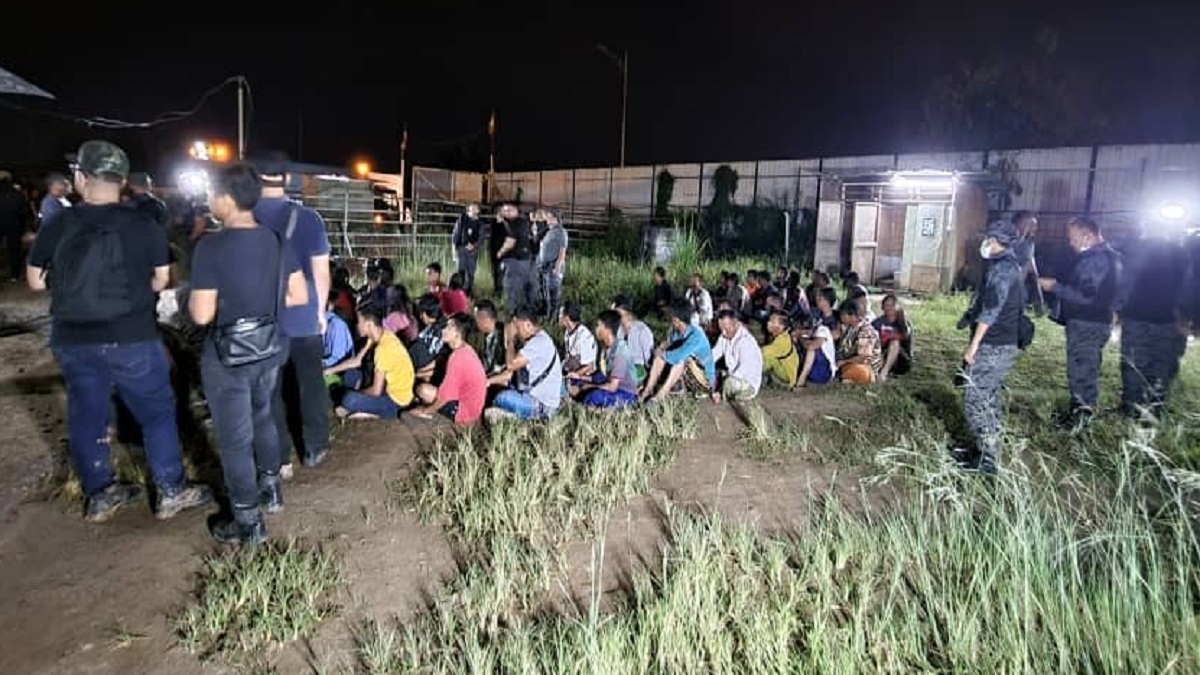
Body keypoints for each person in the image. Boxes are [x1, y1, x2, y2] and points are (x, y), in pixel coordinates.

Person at [27, 140, 212, 523]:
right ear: (123, 181)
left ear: (81, 178)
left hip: (73, 338)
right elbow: (162, 279)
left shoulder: (58, 222)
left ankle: (100, 493)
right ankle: (170, 489)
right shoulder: (142, 224)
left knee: (87, 412)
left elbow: (35, 281)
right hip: (131, 335)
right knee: (157, 411)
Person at [188, 162, 308, 543]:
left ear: (226, 199)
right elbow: (299, 295)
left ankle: (247, 522)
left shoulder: (211, 247)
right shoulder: (276, 241)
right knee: (263, 416)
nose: (209, 200)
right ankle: (271, 489)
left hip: (229, 358)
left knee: (235, 440)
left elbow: (201, 314)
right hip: (270, 349)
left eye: (211, 193)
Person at [254, 153, 333, 470]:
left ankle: (279, 460)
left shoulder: (245, 217)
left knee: (270, 392)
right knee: (310, 385)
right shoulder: (309, 219)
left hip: (264, 318)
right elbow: (321, 272)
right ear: (287, 178)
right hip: (304, 316)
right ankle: (314, 448)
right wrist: (320, 312)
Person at [956, 220, 1025, 475]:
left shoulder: (1003, 269)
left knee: (976, 397)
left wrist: (973, 346)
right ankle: (984, 450)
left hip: (995, 344)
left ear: (996, 241)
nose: (985, 242)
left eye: (988, 238)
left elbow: (992, 310)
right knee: (989, 396)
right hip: (1001, 342)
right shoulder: (1006, 264)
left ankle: (986, 460)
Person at [1038, 217, 1120, 431]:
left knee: (1082, 371)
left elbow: (1087, 296)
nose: (1071, 243)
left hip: (1088, 323)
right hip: (1094, 322)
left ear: (1088, 236)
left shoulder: (1097, 260)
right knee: (1084, 368)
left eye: (1073, 239)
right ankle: (1080, 413)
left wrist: (1054, 287)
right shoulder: (1107, 256)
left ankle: (1080, 421)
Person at [1112, 216, 1190, 422]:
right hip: (1168, 320)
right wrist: (1185, 315)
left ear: (1145, 229)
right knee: (1162, 363)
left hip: (1137, 317)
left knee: (1134, 362)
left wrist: (1117, 309)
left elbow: (1126, 281)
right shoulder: (1180, 253)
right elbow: (1187, 286)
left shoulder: (1136, 249)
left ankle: (1131, 407)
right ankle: (1155, 408)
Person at [486, 305, 563, 421]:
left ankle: (519, 418)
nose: (516, 331)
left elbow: (511, 365)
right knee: (495, 388)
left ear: (528, 325)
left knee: (501, 398)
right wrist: (487, 381)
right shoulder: (531, 341)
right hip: (530, 394)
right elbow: (508, 375)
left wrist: (510, 340)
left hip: (542, 405)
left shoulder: (540, 342)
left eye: (517, 327)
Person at [336, 308, 415, 419]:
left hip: (395, 401)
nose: (357, 325)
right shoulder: (379, 336)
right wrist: (329, 371)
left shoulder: (383, 348)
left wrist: (357, 393)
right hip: (385, 389)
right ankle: (362, 407)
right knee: (350, 375)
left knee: (349, 399)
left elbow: (376, 391)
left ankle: (379, 413)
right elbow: (356, 361)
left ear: (368, 324)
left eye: (359, 322)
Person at [413, 312, 488, 425]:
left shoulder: (458, 357)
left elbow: (445, 396)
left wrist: (425, 411)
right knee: (427, 382)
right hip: (471, 408)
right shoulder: (466, 349)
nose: (443, 330)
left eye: (448, 327)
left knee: (422, 390)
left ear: (457, 334)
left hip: (463, 413)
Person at [639, 300, 715, 404]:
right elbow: (667, 345)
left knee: (680, 360)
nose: (670, 319)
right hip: (690, 377)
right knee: (660, 358)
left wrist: (662, 353)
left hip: (705, 383)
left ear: (677, 320)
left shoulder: (696, 336)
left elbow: (678, 356)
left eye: (672, 316)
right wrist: (660, 349)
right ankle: (647, 391)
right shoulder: (676, 332)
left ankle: (660, 396)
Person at [568, 309, 639, 409]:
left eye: (598, 325)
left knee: (594, 396)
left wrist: (589, 387)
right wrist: (580, 377)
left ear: (607, 329)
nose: (595, 329)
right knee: (577, 381)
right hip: (610, 383)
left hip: (625, 393)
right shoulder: (606, 348)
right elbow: (603, 376)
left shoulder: (620, 353)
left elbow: (612, 386)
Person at [711, 309, 762, 403]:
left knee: (729, 382)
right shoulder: (725, 336)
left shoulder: (746, 341)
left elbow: (742, 371)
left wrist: (721, 389)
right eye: (721, 329)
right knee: (713, 373)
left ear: (737, 324)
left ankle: (722, 396)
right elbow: (714, 354)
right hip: (733, 378)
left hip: (748, 385)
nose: (723, 333)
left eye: (726, 329)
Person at [495, 202, 536, 311]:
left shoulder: (515, 223)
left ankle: (513, 312)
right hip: (526, 260)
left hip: (515, 261)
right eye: (505, 210)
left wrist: (500, 253)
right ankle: (527, 311)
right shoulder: (523, 222)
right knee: (525, 289)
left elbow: (510, 241)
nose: (507, 213)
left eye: (510, 210)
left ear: (516, 211)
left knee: (512, 288)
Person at [834, 300, 882, 384]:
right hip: (850, 362)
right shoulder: (851, 328)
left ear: (851, 315)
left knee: (861, 371)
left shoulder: (866, 331)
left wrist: (844, 362)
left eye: (842, 314)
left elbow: (863, 358)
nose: (840, 317)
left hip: (865, 366)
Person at [612, 295, 655, 383]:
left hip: (638, 367)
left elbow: (649, 357)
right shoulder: (618, 330)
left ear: (627, 313)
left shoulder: (641, 329)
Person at [0, 171, 32, 282]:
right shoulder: (17, 194)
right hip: (14, 224)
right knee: (14, 250)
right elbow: (24, 212)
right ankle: (14, 275)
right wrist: (25, 227)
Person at [872, 294, 914, 382]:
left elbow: (905, 336)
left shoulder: (904, 323)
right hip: (881, 354)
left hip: (901, 358)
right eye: (887, 305)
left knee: (894, 342)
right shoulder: (877, 323)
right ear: (882, 308)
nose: (890, 308)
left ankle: (884, 373)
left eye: (893, 305)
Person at [536, 210, 568, 320]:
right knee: (547, 293)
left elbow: (562, 251)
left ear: (555, 219)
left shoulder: (561, 232)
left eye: (549, 217)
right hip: (545, 267)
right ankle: (548, 314)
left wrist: (557, 268)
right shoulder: (550, 231)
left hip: (553, 268)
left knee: (554, 295)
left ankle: (553, 318)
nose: (547, 220)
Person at [761, 309, 800, 388]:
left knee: (768, 359)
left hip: (787, 375)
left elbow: (764, 353)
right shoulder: (782, 336)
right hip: (784, 369)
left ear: (781, 326)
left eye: (773, 322)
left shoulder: (783, 340)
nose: (769, 323)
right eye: (770, 320)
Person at [451, 203, 483, 294]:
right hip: (461, 249)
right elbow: (455, 234)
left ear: (478, 211)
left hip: (472, 252)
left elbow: (481, 238)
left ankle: (468, 292)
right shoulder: (462, 220)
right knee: (460, 272)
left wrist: (474, 245)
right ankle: (457, 292)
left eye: (475, 208)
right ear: (468, 210)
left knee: (470, 273)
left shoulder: (480, 223)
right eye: (472, 208)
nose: (473, 210)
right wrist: (454, 249)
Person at [473, 299, 507, 377]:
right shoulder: (476, 335)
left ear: (486, 318)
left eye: (477, 318)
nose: (475, 322)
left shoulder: (504, 334)